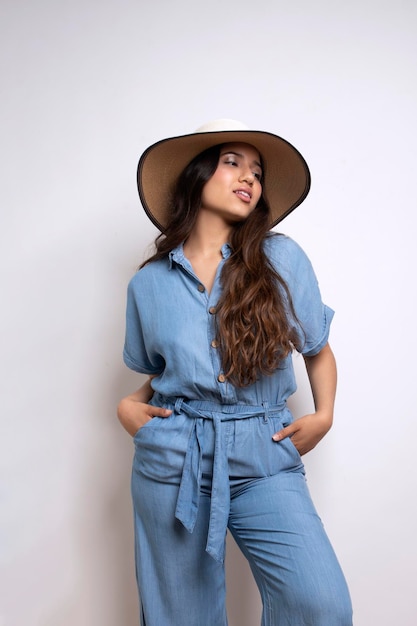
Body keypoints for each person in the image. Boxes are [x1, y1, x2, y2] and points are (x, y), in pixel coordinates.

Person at [117, 119, 353, 625]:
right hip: (175, 459)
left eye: (257, 170)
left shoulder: (280, 258)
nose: (249, 176)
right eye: (232, 163)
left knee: (320, 604)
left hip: (264, 451)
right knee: (182, 617)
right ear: (196, 176)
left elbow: (317, 349)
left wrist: (325, 413)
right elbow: (164, 374)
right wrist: (127, 407)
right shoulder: (149, 285)